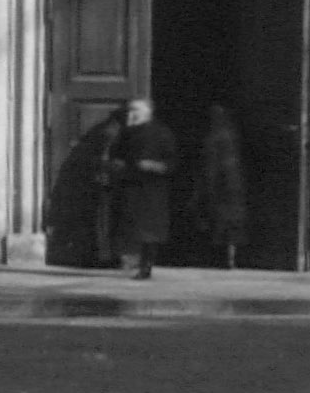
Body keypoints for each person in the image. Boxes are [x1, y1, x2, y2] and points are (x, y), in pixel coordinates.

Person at [102, 91, 180, 279]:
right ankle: (126, 262)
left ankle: (146, 266)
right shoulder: (125, 133)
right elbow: (115, 155)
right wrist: (116, 165)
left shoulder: (162, 133)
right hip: (128, 187)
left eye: (136, 110)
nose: (132, 114)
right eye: (130, 111)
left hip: (152, 189)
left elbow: (172, 162)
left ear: (147, 112)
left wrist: (154, 166)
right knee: (127, 226)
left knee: (149, 231)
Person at [193, 101, 249, 272]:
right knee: (229, 221)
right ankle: (230, 258)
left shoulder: (215, 137)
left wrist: (206, 186)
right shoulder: (230, 135)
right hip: (231, 184)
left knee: (220, 220)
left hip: (221, 184)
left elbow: (212, 164)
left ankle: (221, 258)